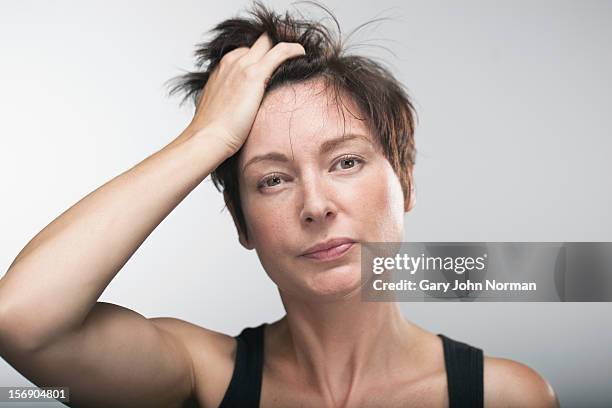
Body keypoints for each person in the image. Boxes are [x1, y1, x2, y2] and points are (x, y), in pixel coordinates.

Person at [0, 2, 559, 407]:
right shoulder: (202, 379)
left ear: (405, 183)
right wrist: (205, 138)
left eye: (346, 162)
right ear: (242, 223)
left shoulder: (506, 395)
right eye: (272, 180)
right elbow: (22, 321)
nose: (316, 205)